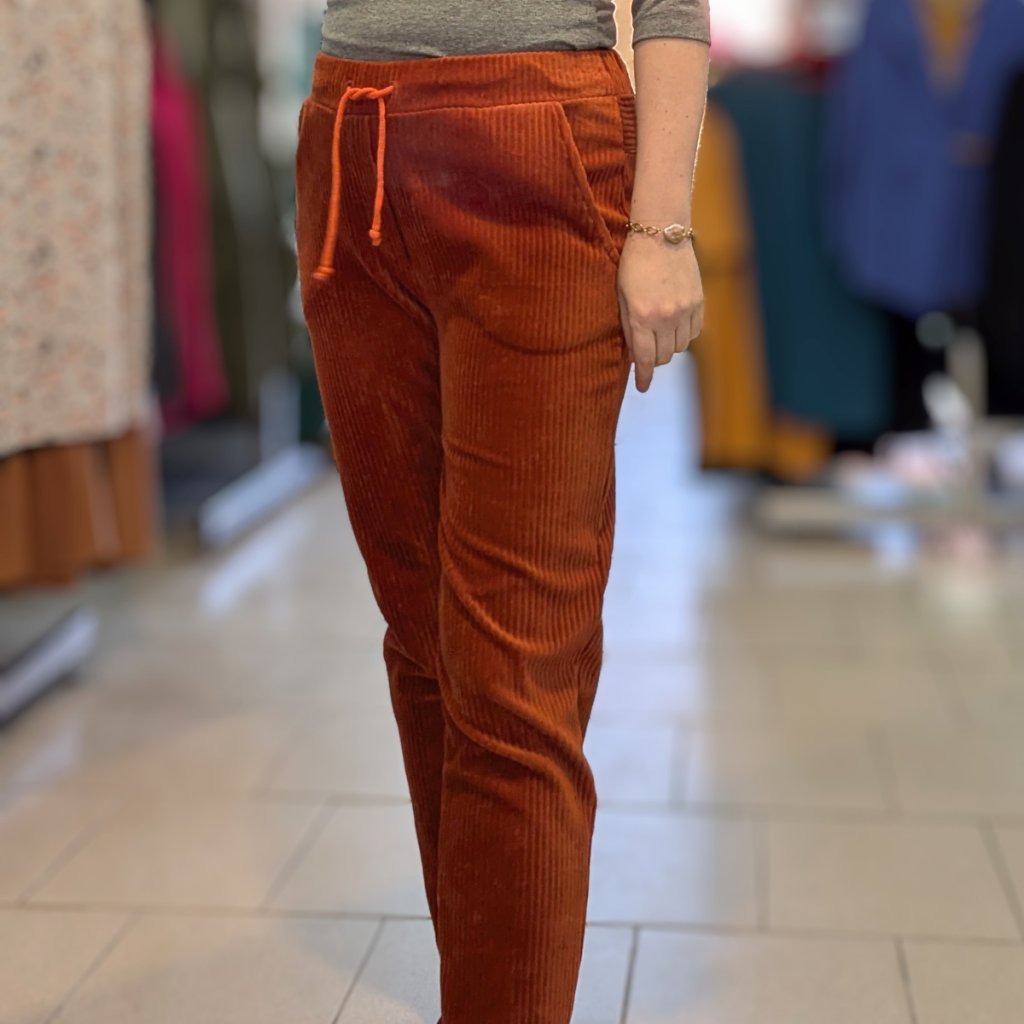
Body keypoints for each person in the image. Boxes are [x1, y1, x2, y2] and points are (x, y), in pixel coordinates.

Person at [294, 2, 710, 1021]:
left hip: (537, 134)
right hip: (350, 132)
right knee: (424, 641)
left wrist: (662, 225)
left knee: (513, 670)